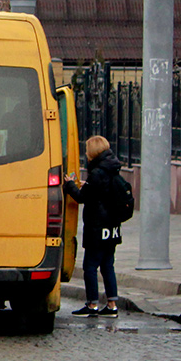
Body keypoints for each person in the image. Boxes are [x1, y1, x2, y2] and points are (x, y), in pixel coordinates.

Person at [64, 135, 123, 317]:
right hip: (112, 227)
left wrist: (70, 186)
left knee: (90, 267)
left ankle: (92, 305)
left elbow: (83, 197)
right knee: (108, 265)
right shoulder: (113, 169)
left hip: (97, 227)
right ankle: (112, 305)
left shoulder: (97, 173)